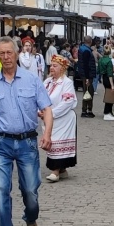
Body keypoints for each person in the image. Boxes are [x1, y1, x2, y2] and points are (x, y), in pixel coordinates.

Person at [0, 36, 53, 226]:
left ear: (17, 53)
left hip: (27, 142)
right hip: (1, 143)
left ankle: (30, 218)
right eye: (1, 53)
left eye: (9, 52)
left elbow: (47, 109)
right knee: (1, 188)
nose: (6, 57)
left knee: (30, 190)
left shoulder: (31, 80)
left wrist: (47, 134)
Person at [43, 54, 77, 182]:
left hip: (64, 119)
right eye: (51, 65)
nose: (51, 68)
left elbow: (68, 102)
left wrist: (51, 113)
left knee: (56, 143)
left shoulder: (66, 82)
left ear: (62, 68)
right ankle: (62, 170)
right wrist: (40, 111)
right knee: (50, 141)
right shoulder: (47, 82)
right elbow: (40, 97)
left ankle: (55, 171)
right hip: (49, 118)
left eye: (55, 66)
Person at [77, 36, 97, 118]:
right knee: (88, 92)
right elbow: (86, 65)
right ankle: (86, 110)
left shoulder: (82, 49)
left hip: (84, 74)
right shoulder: (86, 51)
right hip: (87, 75)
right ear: (90, 41)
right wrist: (88, 77)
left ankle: (87, 110)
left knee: (88, 91)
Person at [98, 47, 114, 120]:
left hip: (103, 77)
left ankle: (108, 112)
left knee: (107, 94)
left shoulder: (101, 60)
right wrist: (112, 85)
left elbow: (98, 70)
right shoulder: (109, 61)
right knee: (110, 96)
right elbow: (110, 74)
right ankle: (107, 112)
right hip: (108, 78)